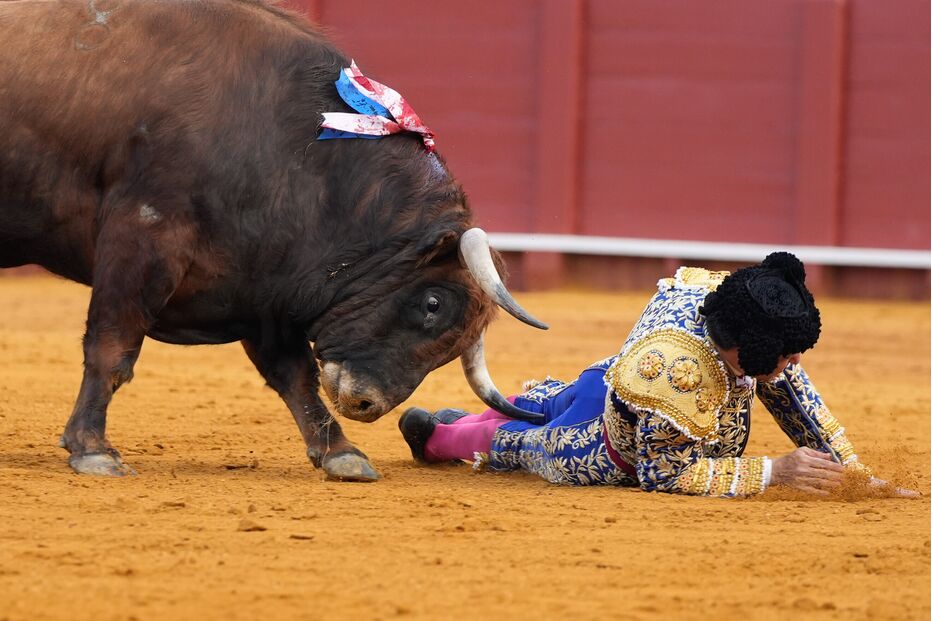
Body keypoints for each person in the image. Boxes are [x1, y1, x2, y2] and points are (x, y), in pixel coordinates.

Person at [399, 252, 916, 497]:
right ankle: (438, 437)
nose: (795, 363)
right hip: (605, 450)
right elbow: (662, 473)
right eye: (787, 353)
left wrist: (852, 473)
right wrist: (773, 472)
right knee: (519, 443)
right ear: (748, 347)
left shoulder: (728, 303)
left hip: (612, 382)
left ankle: (465, 419)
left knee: (552, 397)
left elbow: (790, 393)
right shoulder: (679, 372)